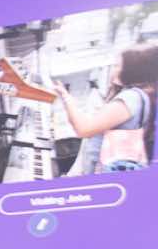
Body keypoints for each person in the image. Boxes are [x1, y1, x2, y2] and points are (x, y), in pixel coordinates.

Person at [52, 44, 156, 174]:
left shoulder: (130, 97)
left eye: (117, 66)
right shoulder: (143, 96)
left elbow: (84, 129)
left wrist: (66, 97)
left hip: (99, 170)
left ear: (132, 70)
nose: (113, 70)